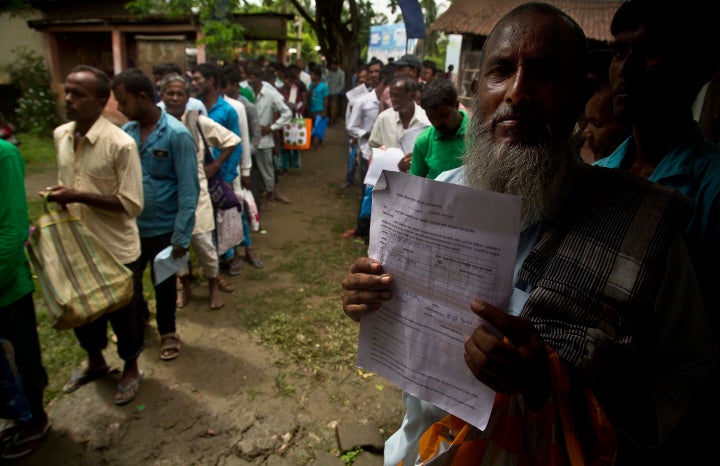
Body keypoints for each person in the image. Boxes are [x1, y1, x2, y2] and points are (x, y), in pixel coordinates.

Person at [340, 3, 716, 465]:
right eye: (501, 71)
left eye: (544, 74)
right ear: (476, 92)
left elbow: (683, 382)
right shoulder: (436, 195)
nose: (518, 93)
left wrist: (547, 383)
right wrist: (368, 295)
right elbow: (401, 321)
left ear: (581, 97)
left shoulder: (643, 228)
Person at [593, 1, 720, 463]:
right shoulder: (601, 177)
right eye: (617, 51)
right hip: (589, 422)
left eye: (646, 51)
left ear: (697, 69)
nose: (624, 69)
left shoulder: (711, 188)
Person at [46, 65, 145, 406]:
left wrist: (76, 196)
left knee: (124, 315)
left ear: (102, 101)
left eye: (79, 94)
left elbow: (131, 204)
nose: (69, 99)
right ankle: (96, 361)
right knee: (83, 312)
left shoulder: (121, 144)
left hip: (115, 249)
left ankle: (131, 366)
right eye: (68, 91)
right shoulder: (61, 135)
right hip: (76, 245)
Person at [112, 68, 199, 362]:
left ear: (142, 97)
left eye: (123, 102)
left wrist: (181, 236)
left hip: (165, 230)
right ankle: (139, 323)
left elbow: (189, 190)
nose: (120, 109)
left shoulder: (177, 135)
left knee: (164, 286)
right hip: (131, 229)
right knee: (129, 287)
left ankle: (168, 331)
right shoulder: (127, 134)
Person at [160, 73, 239, 310]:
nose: (175, 98)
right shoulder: (157, 124)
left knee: (205, 245)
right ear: (162, 97)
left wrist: (215, 166)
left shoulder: (197, 122)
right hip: (169, 200)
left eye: (180, 94)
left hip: (198, 198)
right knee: (175, 248)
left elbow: (232, 140)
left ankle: (213, 287)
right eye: (170, 93)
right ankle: (184, 287)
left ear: (187, 98)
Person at [0, 139, 51, 460]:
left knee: (20, 356)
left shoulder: (5, 155)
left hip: (7, 284)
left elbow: (14, 229)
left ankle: (34, 417)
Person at [245, 65, 292, 206]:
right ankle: (256, 196)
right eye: (248, 77)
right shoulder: (246, 92)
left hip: (264, 138)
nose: (250, 81)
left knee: (267, 169)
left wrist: (272, 127)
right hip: (248, 137)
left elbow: (287, 113)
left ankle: (270, 195)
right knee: (250, 169)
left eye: (253, 78)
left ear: (260, 79)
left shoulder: (270, 94)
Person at [408, 77, 468, 180]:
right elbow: (414, 185)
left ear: (456, 105)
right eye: (431, 117)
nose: (437, 123)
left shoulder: (480, 134)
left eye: (443, 116)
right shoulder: (424, 142)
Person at [306, 66, 329, 149]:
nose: (311, 76)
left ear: (317, 76)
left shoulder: (323, 86)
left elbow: (326, 99)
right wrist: (311, 88)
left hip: (320, 109)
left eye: (312, 74)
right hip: (312, 108)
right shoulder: (310, 85)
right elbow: (307, 95)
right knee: (311, 126)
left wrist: (325, 111)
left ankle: (320, 142)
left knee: (319, 126)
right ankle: (311, 141)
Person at [326, 59, 345, 126]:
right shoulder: (329, 72)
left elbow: (342, 84)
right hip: (328, 91)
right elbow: (327, 81)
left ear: (337, 66)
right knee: (327, 106)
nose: (332, 67)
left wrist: (337, 91)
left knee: (333, 107)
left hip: (335, 93)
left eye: (334, 65)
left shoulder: (341, 73)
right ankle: (328, 120)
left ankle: (332, 121)